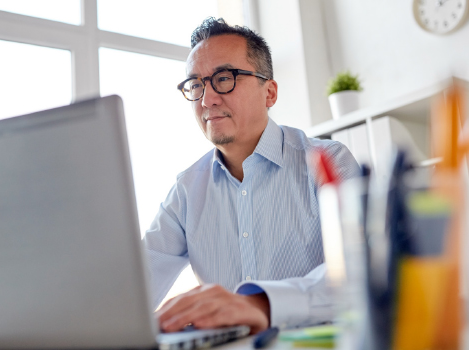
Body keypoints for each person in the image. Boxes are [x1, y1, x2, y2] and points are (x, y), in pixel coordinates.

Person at [144, 17, 359, 335]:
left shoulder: (329, 161)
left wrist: (261, 304)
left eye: (224, 78)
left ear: (269, 92)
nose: (207, 100)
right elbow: (135, 286)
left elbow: (363, 268)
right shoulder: (187, 189)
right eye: (196, 85)